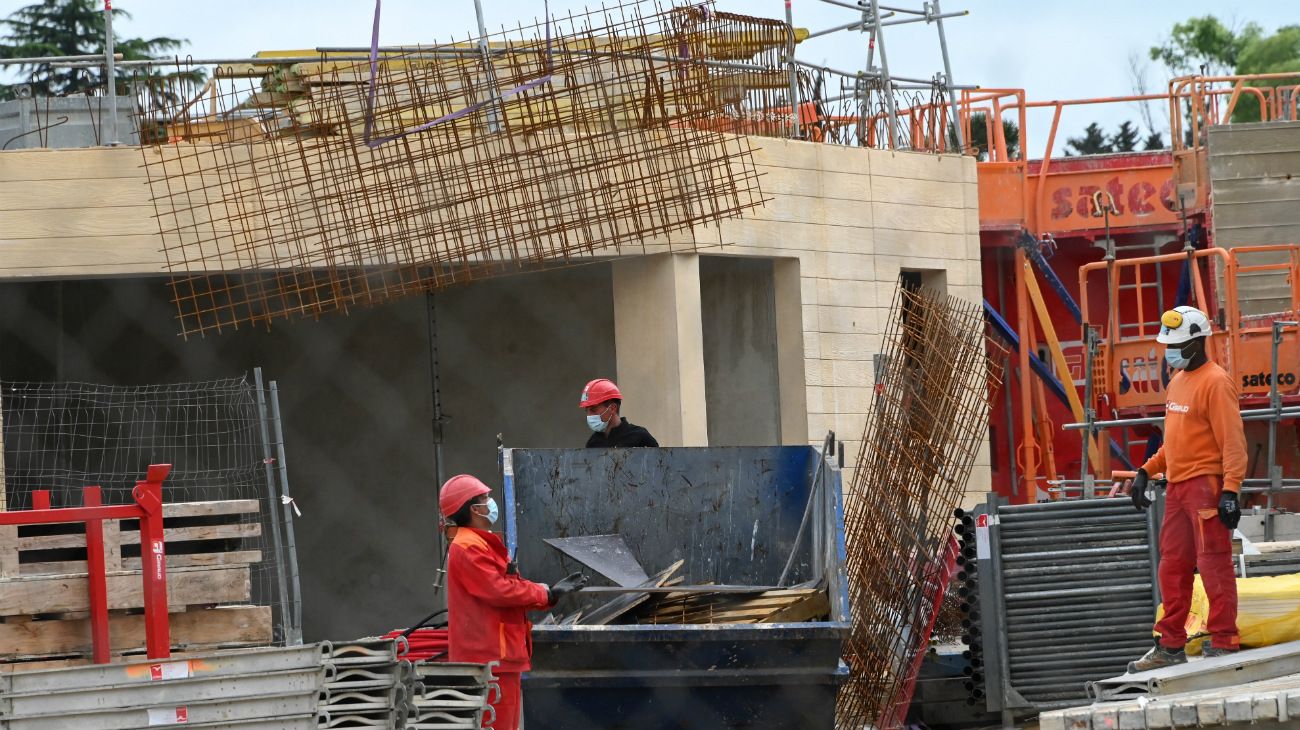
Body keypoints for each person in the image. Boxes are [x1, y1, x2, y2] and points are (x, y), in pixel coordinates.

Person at [1126, 306, 1247, 673]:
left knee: (1214, 564)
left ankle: (1224, 639)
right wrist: (1146, 471)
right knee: (1173, 567)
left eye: (1176, 344)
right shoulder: (1178, 381)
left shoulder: (1216, 381)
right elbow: (1174, 443)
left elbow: (1233, 444)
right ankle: (1171, 644)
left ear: (1197, 342)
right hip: (1178, 488)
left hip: (1206, 488)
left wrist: (1231, 490)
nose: (1170, 351)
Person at [439, 474, 586, 729]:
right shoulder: (469, 547)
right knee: (497, 724)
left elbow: (506, 587)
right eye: (485, 498)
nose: (490, 502)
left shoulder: (477, 543)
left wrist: (545, 593)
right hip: (490, 657)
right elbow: (499, 591)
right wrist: (546, 593)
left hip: (498, 654)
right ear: (475, 509)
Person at [579, 378, 659, 448]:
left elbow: (659, 463)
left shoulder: (640, 437)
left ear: (612, 408)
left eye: (593, 410)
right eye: (587, 411)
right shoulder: (593, 443)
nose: (589, 416)